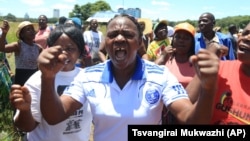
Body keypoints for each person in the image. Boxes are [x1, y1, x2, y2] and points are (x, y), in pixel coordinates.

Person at [37, 14, 219, 141]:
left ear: (140, 43)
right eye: (113, 34)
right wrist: (48, 77)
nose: (119, 39)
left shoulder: (160, 75)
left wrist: (208, 88)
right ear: (106, 43)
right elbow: (55, 116)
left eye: (128, 35)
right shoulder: (89, 76)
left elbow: (191, 120)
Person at [9, 25, 93, 141]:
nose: (64, 54)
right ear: (48, 49)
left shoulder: (89, 78)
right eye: (58, 48)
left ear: (80, 51)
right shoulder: (38, 79)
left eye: (70, 48)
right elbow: (26, 127)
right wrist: (25, 110)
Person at [187, 22, 250, 125]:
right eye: (245, 33)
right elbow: (186, 108)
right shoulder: (219, 68)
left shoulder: (225, 39)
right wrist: (203, 79)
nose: (247, 38)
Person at [0, 20, 43, 86]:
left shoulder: (38, 48)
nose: (32, 31)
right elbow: (2, 48)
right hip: (21, 79)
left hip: (34, 79)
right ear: (22, 34)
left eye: (32, 29)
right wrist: (4, 33)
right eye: (28, 29)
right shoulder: (18, 45)